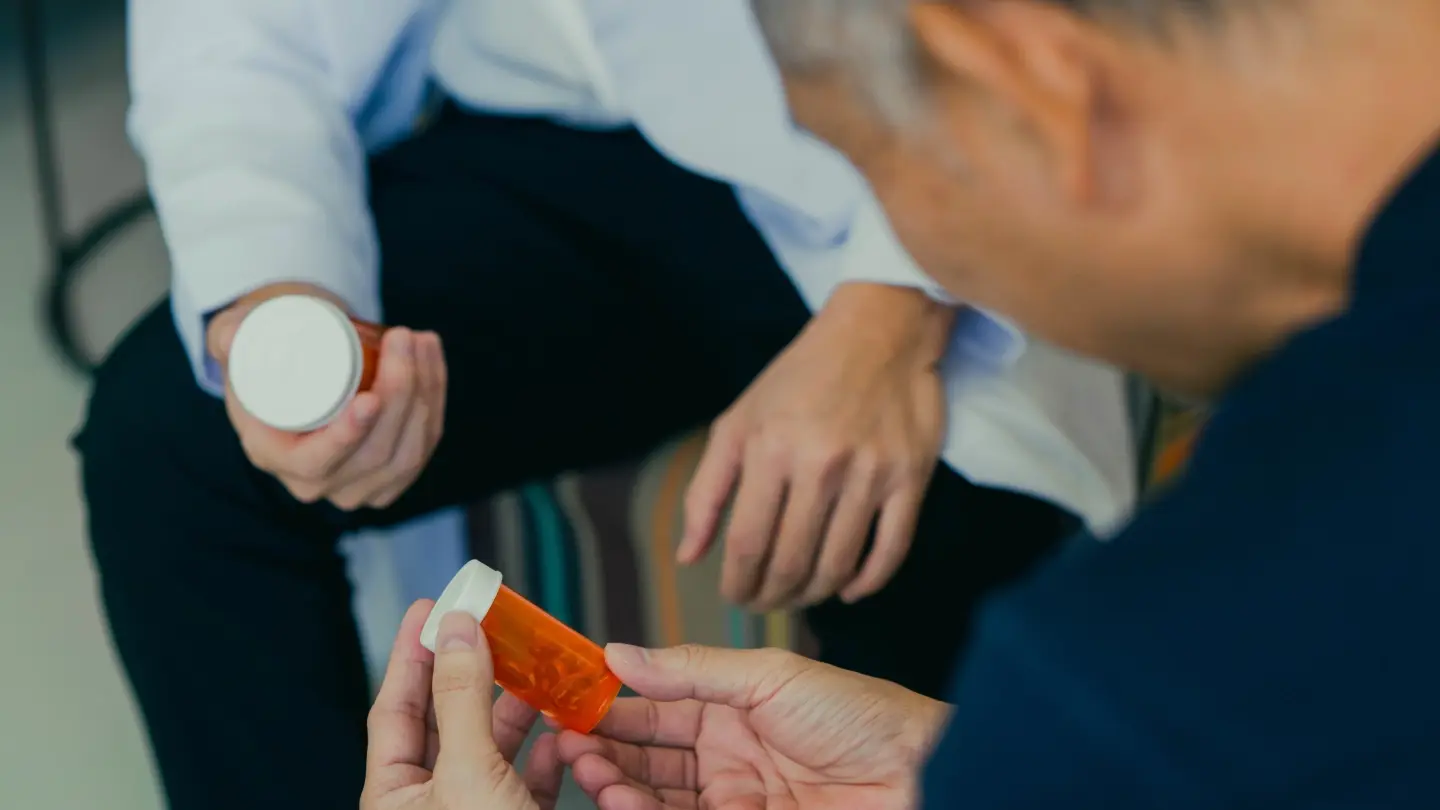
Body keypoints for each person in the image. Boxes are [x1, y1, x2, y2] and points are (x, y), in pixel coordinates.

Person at [359, 0, 1440, 807]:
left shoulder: (1137, 682)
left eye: (863, 169)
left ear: (1029, 76)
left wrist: (1021, 766)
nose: (907, 253)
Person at [77, 1, 1134, 808]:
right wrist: (276, 301)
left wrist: (898, 308)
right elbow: (240, 36)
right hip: (541, 116)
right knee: (166, 443)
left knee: (918, 507)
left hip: (888, 146)